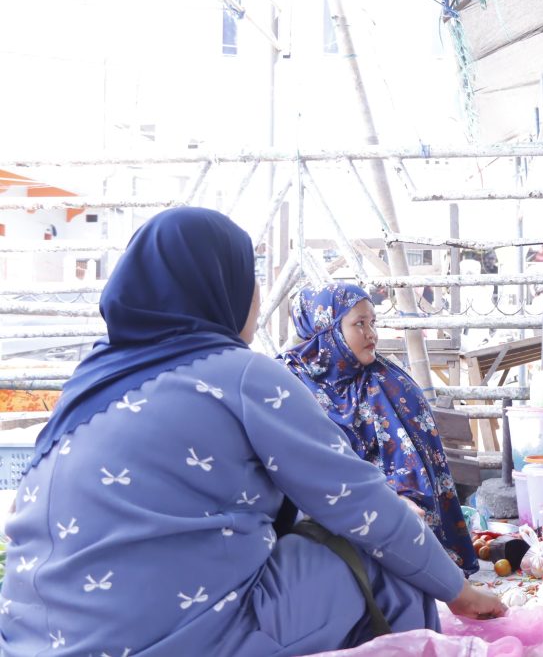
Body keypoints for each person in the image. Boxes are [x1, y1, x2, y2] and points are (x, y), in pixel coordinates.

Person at [0, 208, 503, 656]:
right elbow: (359, 502)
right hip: (176, 636)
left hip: (36, 637)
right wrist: (457, 591)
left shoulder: (87, 383)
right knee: (392, 567)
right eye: (250, 276)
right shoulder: (241, 374)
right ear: (221, 286)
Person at [281, 281, 478, 573]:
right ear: (325, 329)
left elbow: (416, 469)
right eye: (359, 324)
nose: (371, 334)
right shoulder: (287, 384)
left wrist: (397, 503)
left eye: (373, 322)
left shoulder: (388, 382)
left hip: (397, 525)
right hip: (319, 529)